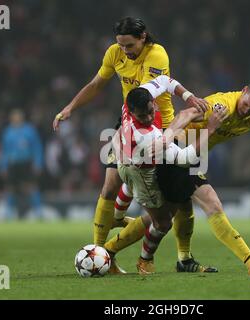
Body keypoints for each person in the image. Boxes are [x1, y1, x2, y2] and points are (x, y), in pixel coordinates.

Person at [104, 79, 250, 275]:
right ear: (243, 91)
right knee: (208, 203)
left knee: (171, 213)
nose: (246, 111)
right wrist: (167, 138)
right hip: (177, 154)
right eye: (245, 105)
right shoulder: (221, 105)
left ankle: (162, 257)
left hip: (190, 156)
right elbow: (185, 113)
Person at [53, 17, 211, 273]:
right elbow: (96, 84)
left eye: (129, 45)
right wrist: (71, 106)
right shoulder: (114, 54)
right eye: (120, 45)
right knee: (110, 186)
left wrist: (189, 100)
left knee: (175, 202)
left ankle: (177, 256)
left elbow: (152, 92)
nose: (124, 50)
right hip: (132, 125)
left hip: (161, 128)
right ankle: (101, 254)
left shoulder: (157, 55)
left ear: (143, 37)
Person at [111, 75, 225, 274]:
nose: (147, 118)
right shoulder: (148, 136)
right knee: (163, 222)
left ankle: (117, 216)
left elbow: (164, 80)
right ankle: (143, 260)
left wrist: (188, 96)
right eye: (142, 116)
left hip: (125, 160)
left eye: (149, 112)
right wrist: (211, 128)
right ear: (131, 112)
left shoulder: (133, 99)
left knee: (130, 184)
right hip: (141, 174)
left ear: (152, 101)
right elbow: (185, 159)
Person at [0, 109, 44, 219]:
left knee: (31, 186)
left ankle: (38, 211)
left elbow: (37, 148)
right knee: (10, 188)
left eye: (18, 117)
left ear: (22, 118)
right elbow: (4, 151)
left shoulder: (29, 130)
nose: (16, 119)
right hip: (13, 164)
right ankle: (8, 212)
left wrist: (38, 162)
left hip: (26, 163)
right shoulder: (7, 132)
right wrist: (3, 166)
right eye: (14, 117)